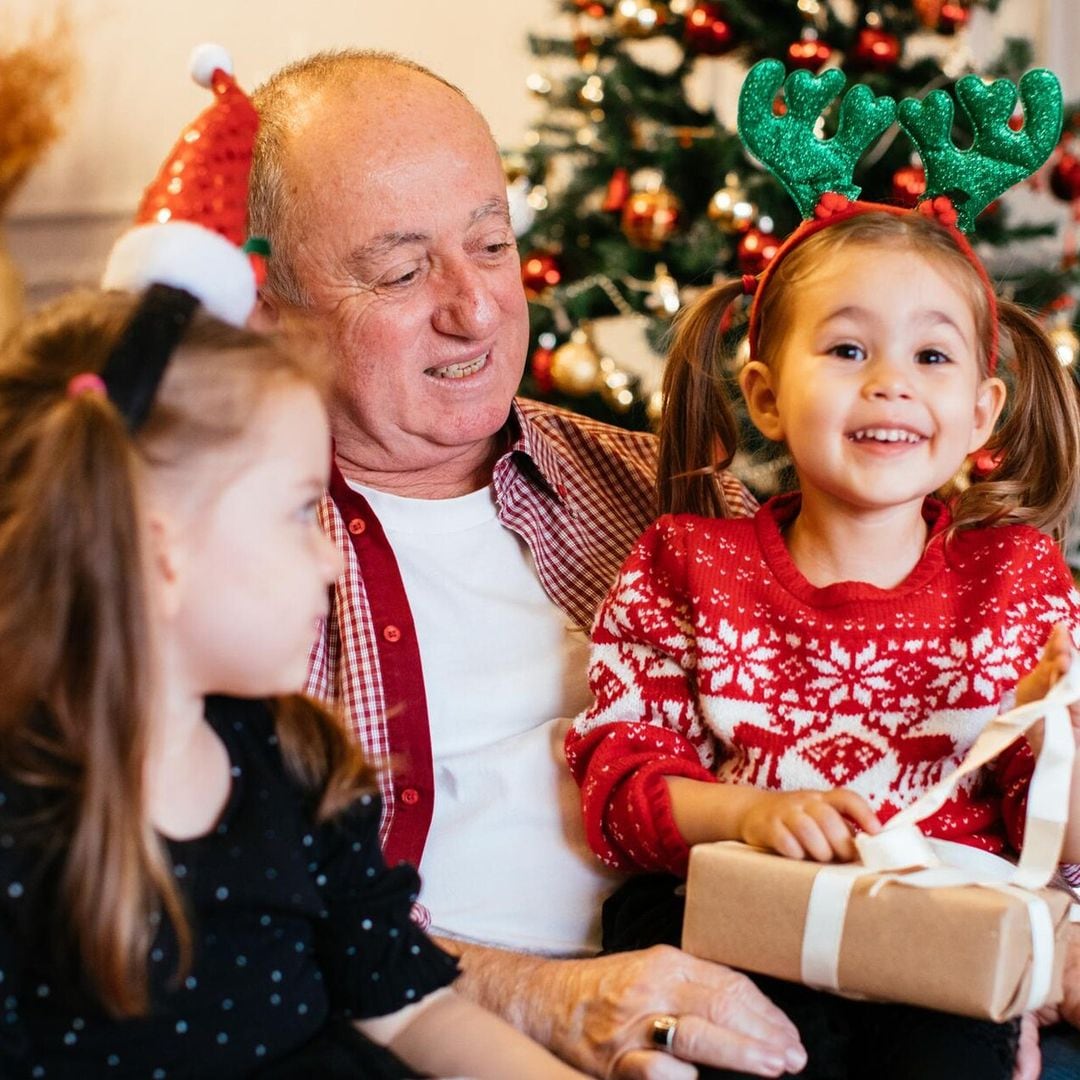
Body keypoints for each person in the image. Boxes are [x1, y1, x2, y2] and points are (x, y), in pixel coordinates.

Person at [249, 48, 807, 1079]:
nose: (474, 307)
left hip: (744, 1000)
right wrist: (543, 998)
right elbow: (220, 921)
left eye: (491, 244)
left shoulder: (670, 496)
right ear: (271, 307)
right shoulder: (228, 562)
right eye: (404, 270)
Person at [0, 285, 602, 1079]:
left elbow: (409, 1008)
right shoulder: (25, 824)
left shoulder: (292, 759)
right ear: (161, 555)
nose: (328, 556)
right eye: (296, 513)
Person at [566, 191, 1080, 1073]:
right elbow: (620, 791)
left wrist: (1057, 728)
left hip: (938, 936)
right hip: (746, 921)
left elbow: (1060, 845)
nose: (891, 381)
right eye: (847, 350)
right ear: (765, 395)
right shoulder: (685, 562)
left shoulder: (1018, 581)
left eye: (931, 355)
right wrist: (754, 813)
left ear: (982, 414)